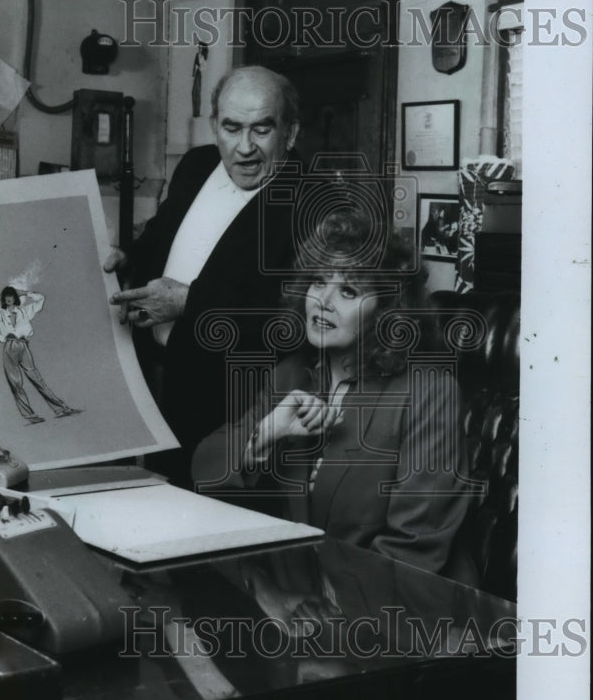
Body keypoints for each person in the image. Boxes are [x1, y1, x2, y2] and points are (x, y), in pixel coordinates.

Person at [192, 210, 480, 582]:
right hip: (307, 600)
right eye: (318, 281)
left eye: (348, 291)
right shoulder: (293, 372)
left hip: (401, 609)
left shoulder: (430, 392)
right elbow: (204, 468)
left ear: (388, 313)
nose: (323, 301)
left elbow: (414, 546)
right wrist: (265, 432)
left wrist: (325, 607)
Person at [103, 65, 301, 477]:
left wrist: (190, 302)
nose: (244, 147)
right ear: (214, 126)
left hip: (234, 409)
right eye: (231, 128)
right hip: (157, 384)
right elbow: (160, 238)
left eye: (261, 130)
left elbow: (292, 320)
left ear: (290, 133)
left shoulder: (310, 202)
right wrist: (130, 258)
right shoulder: (196, 165)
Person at [0, 286, 81, 424]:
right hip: (9, 347)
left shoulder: (24, 311)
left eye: (11, 295)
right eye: (6, 296)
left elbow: (40, 299)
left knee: (37, 379)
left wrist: (26, 293)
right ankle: (29, 415)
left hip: (23, 346)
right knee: (16, 383)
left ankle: (62, 408)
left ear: (15, 297)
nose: (8, 298)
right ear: (3, 299)